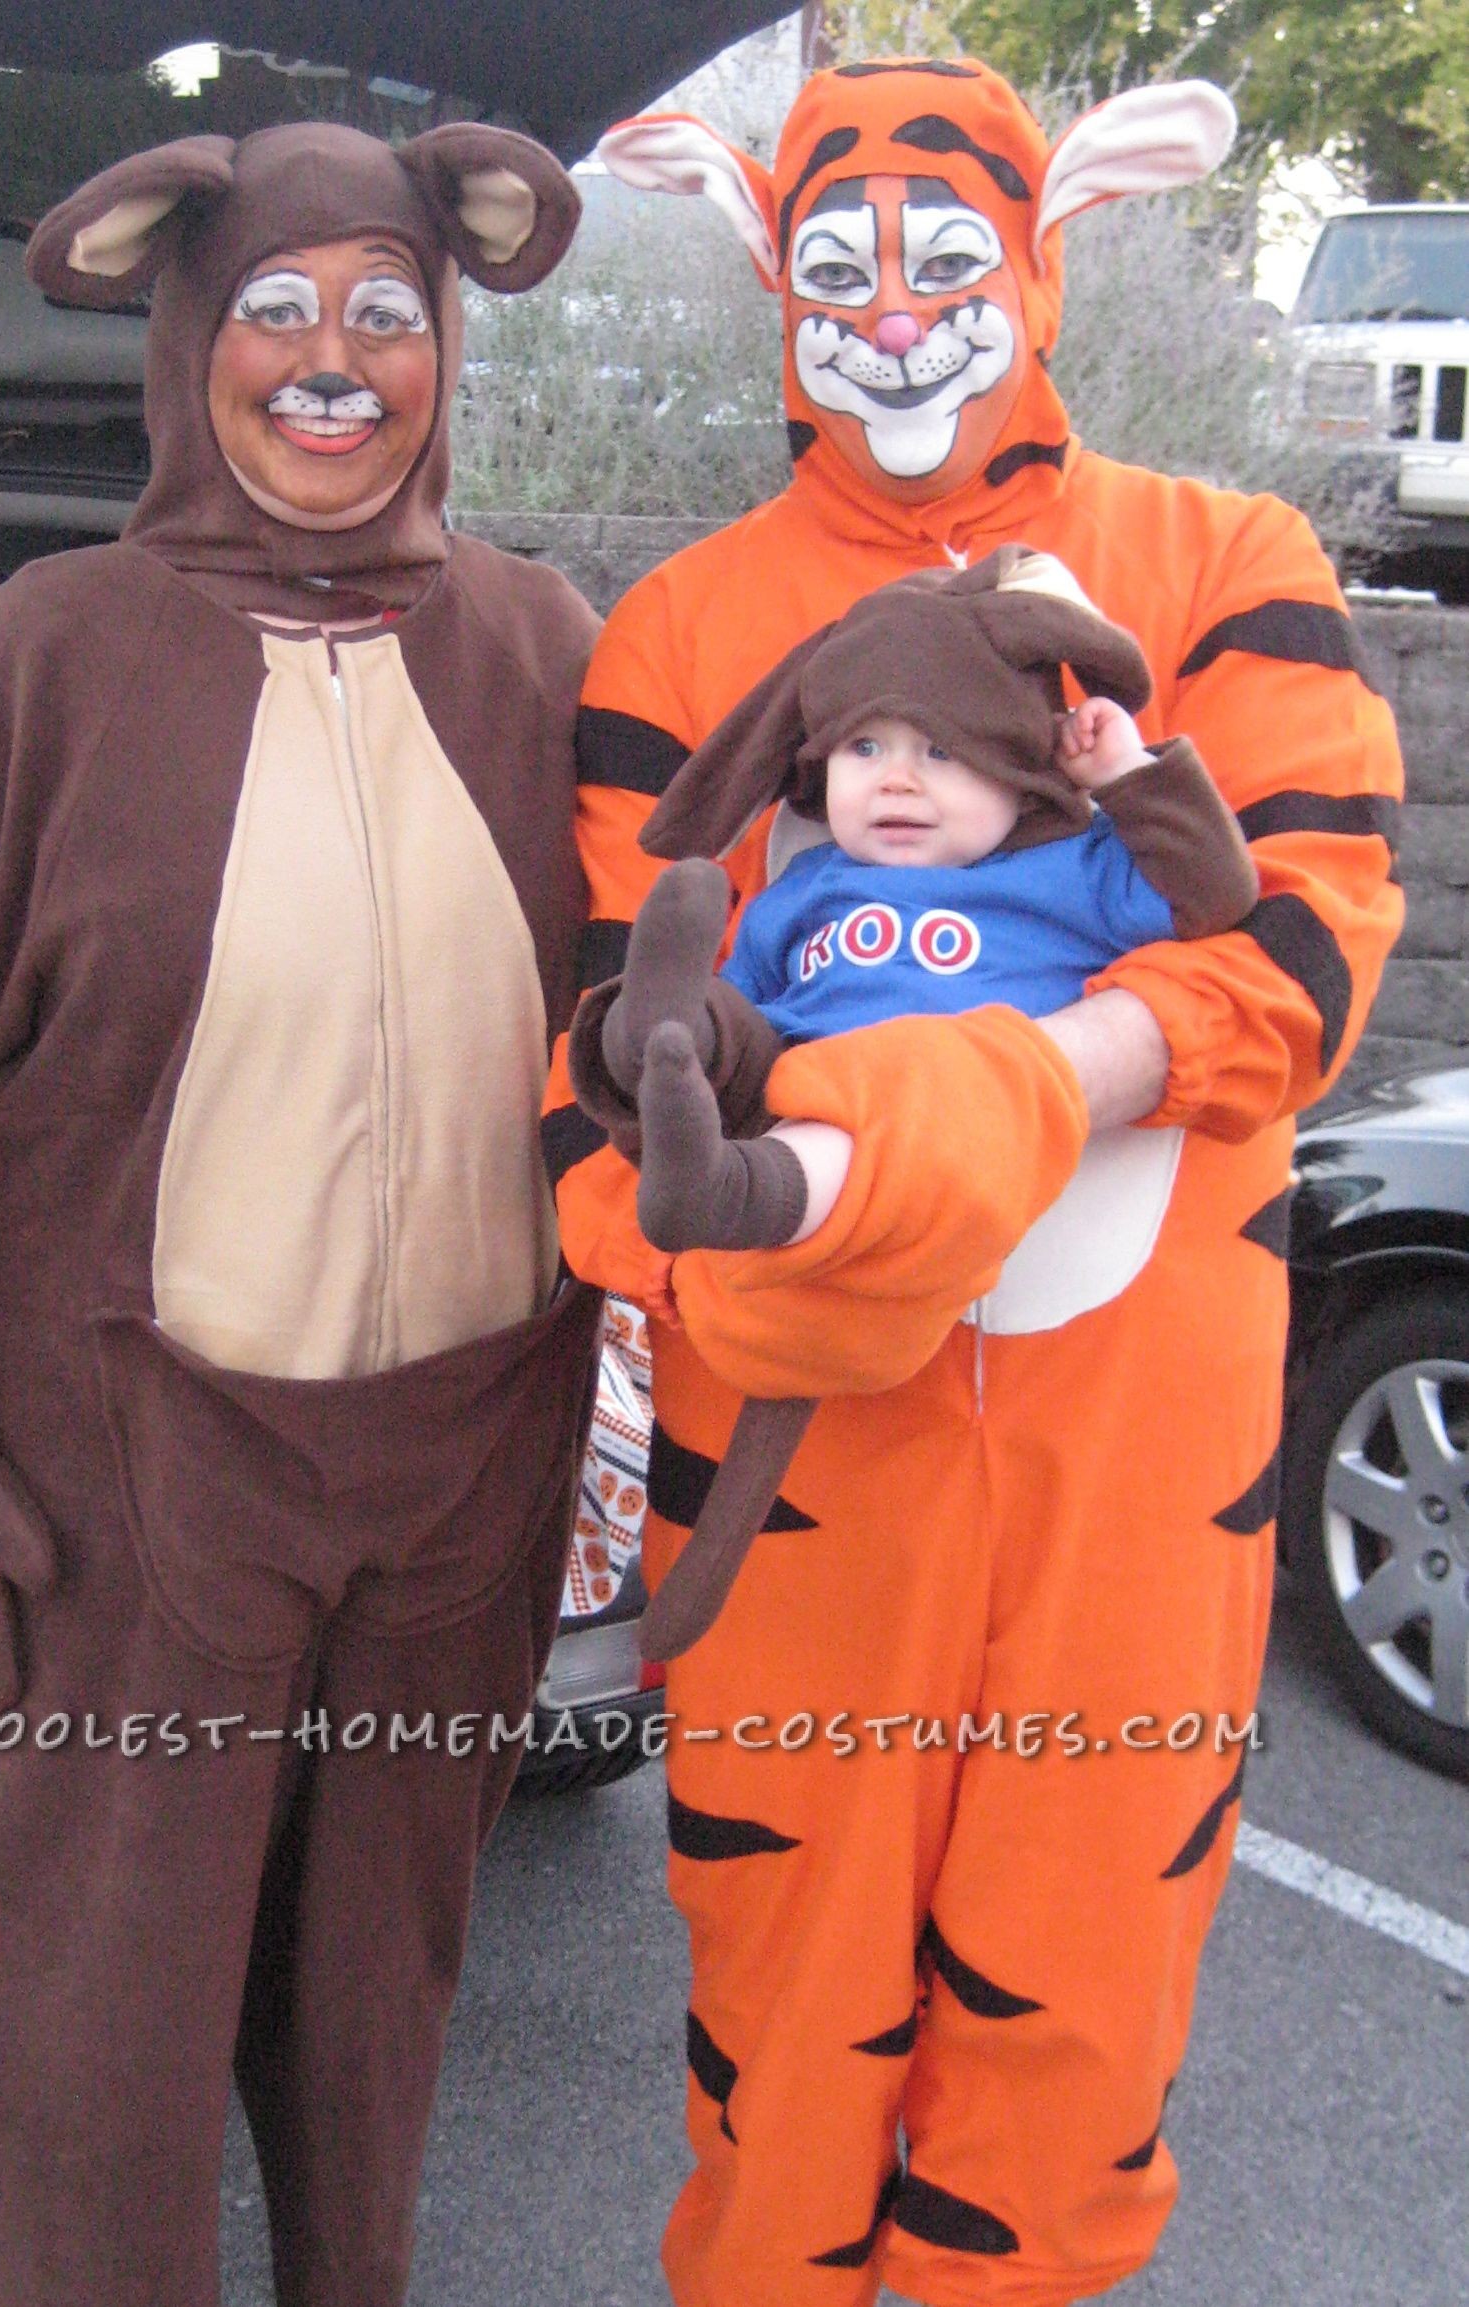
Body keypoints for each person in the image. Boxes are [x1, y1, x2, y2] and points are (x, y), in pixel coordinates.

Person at [0, 121, 604, 2307]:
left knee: (378, 1983)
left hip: (466, 1452)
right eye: (278, 307)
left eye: (384, 312)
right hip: (126, 1454)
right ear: (187, 327)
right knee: (93, 1998)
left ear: (448, 338)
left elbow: (654, 968)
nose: (331, 361)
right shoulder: (48, 650)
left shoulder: (541, 635)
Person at [543, 59, 1403, 2307]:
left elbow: (1301, 952)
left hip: (1142, 1458)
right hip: (802, 1451)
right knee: (786, 2007)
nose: (902, 311)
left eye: (949, 256)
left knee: (1075, 2009)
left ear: (1041, 253)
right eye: (842, 264)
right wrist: (718, 1234)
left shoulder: (1229, 567)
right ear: (769, 275)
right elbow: (596, 1060)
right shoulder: (681, 634)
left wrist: (1028, 1083)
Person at [594, 549, 1258, 1258]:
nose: (897, 782)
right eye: (866, 748)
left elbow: (1213, 893)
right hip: (797, 1079)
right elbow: (753, 994)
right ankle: (650, 1040)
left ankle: (724, 1190)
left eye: (941, 752)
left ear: (1019, 769)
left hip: (940, 1122)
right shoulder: (808, 884)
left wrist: (1128, 773)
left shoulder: (1072, 868)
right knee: (727, 1039)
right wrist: (712, 1033)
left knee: (851, 1129)